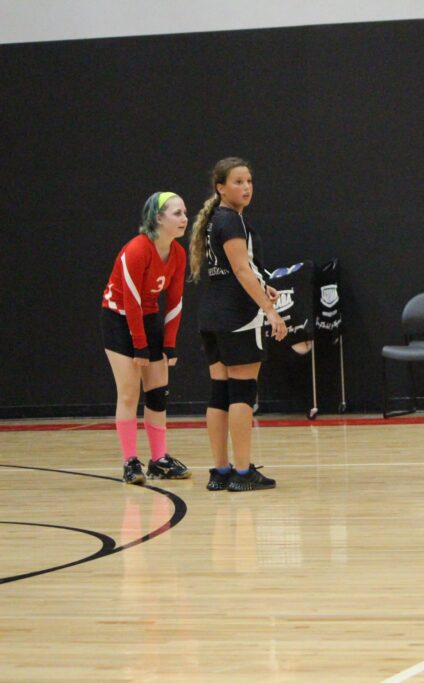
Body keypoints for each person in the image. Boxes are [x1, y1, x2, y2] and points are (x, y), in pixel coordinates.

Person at [188, 157, 287, 492]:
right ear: (220, 187)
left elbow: (238, 270)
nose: (246, 188)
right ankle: (243, 473)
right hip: (238, 318)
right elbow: (241, 271)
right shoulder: (230, 221)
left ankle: (220, 470)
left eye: (249, 181)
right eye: (237, 182)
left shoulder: (216, 220)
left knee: (221, 391)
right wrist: (270, 311)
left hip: (212, 316)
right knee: (242, 391)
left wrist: (264, 284)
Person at [101, 192, 192, 484]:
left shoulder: (178, 253)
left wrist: (169, 344)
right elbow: (130, 302)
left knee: (157, 393)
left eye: (185, 213)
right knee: (129, 393)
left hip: (148, 318)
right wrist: (139, 346)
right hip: (119, 318)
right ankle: (130, 462)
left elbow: (175, 301)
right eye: (177, 213)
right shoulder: (137, 249)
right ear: (158, 218)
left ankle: (159, 460)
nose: (184, 219)